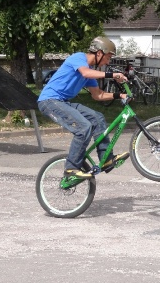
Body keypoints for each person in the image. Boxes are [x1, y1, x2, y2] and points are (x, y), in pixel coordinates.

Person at [37, 36, 130, 179]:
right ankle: (71, 169)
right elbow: (85, 73)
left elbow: (98, 95)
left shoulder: (90, 70)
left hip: (63, 102)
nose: (108, 62)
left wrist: (120, 96)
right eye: (108, 58)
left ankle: (106, 160)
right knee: (83, 127)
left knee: (97, 118)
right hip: (49, 101)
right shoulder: (78, 58)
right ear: (99, 53)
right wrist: (113, 75)